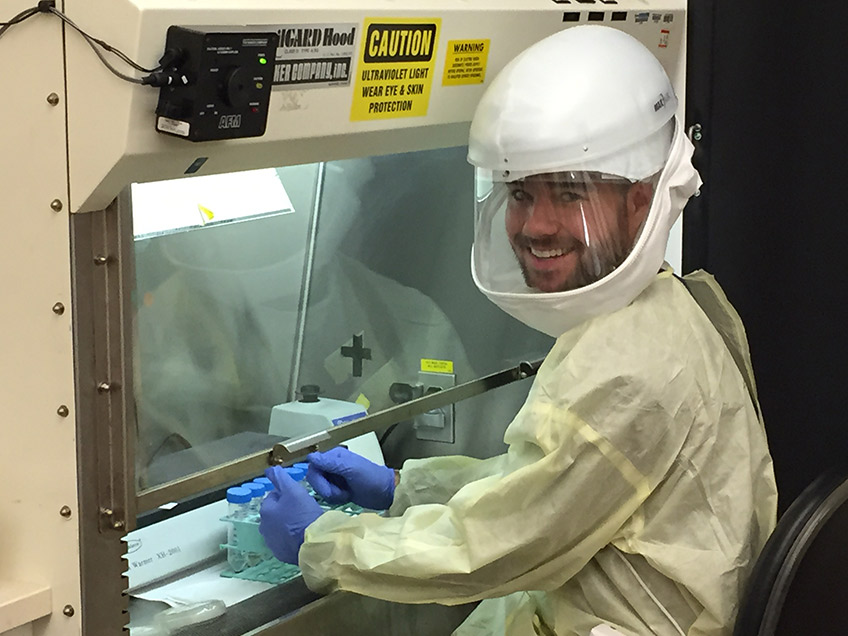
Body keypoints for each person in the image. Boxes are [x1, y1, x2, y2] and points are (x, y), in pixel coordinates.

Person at [258, 25, 777, 636]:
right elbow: (546, 488)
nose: (536, 226)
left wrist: (323, 544)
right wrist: (405, 486)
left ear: (642, 200)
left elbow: (496, 546)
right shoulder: (662, 307)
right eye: (521, 193)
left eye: (570, 193)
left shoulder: (625, 366)